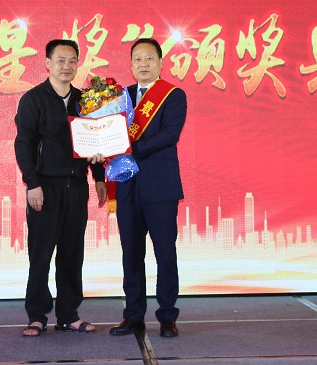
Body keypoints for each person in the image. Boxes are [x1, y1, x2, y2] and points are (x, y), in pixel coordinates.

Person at [14, 39, 108, 337]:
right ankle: (37, 316)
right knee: (40, 254)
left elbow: (95, 142)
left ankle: (69, 315)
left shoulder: (84, 101)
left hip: (76, 187)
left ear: (77, 64)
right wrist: (32, 183)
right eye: (60, 60)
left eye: (72, 61)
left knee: (72, 254)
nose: (66, 66)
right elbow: (23, 144)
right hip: (45, 188)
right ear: (48, 63)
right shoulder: (33, 99)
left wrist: (99, 177)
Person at [109, 38, 187, 338]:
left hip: (160, 187)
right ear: (131, 64)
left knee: (165, 253)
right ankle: (133, 316)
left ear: (160, 62)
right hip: (127, 186)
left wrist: (129, 149)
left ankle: (167, 316)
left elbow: (169, 134)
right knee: (131, 254)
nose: (143, 64)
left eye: (149, 58)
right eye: (138, 59)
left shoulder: (173, 96)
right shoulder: (122, 97)